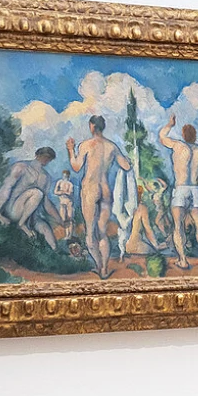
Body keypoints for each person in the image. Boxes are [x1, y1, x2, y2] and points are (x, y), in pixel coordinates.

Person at [66, 116, 132, 276]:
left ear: (92, 126)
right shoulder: (112, 146)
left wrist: (70, 150)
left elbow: (76, 167)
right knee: (102, 232)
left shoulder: (86, 145)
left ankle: (99, 265)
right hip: (105, 190)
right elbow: (126, 166)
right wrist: (129, 159)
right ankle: (104, 268)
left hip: (90, 189)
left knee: (90, 232)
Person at [159, 118, 198, 270]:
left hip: (181, 189)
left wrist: (170, 124)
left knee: (178, 226)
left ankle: (183, 260)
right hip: (194, 189)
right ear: (195, 136)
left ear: (183, 135)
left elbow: (162, 137)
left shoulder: (178, 146)